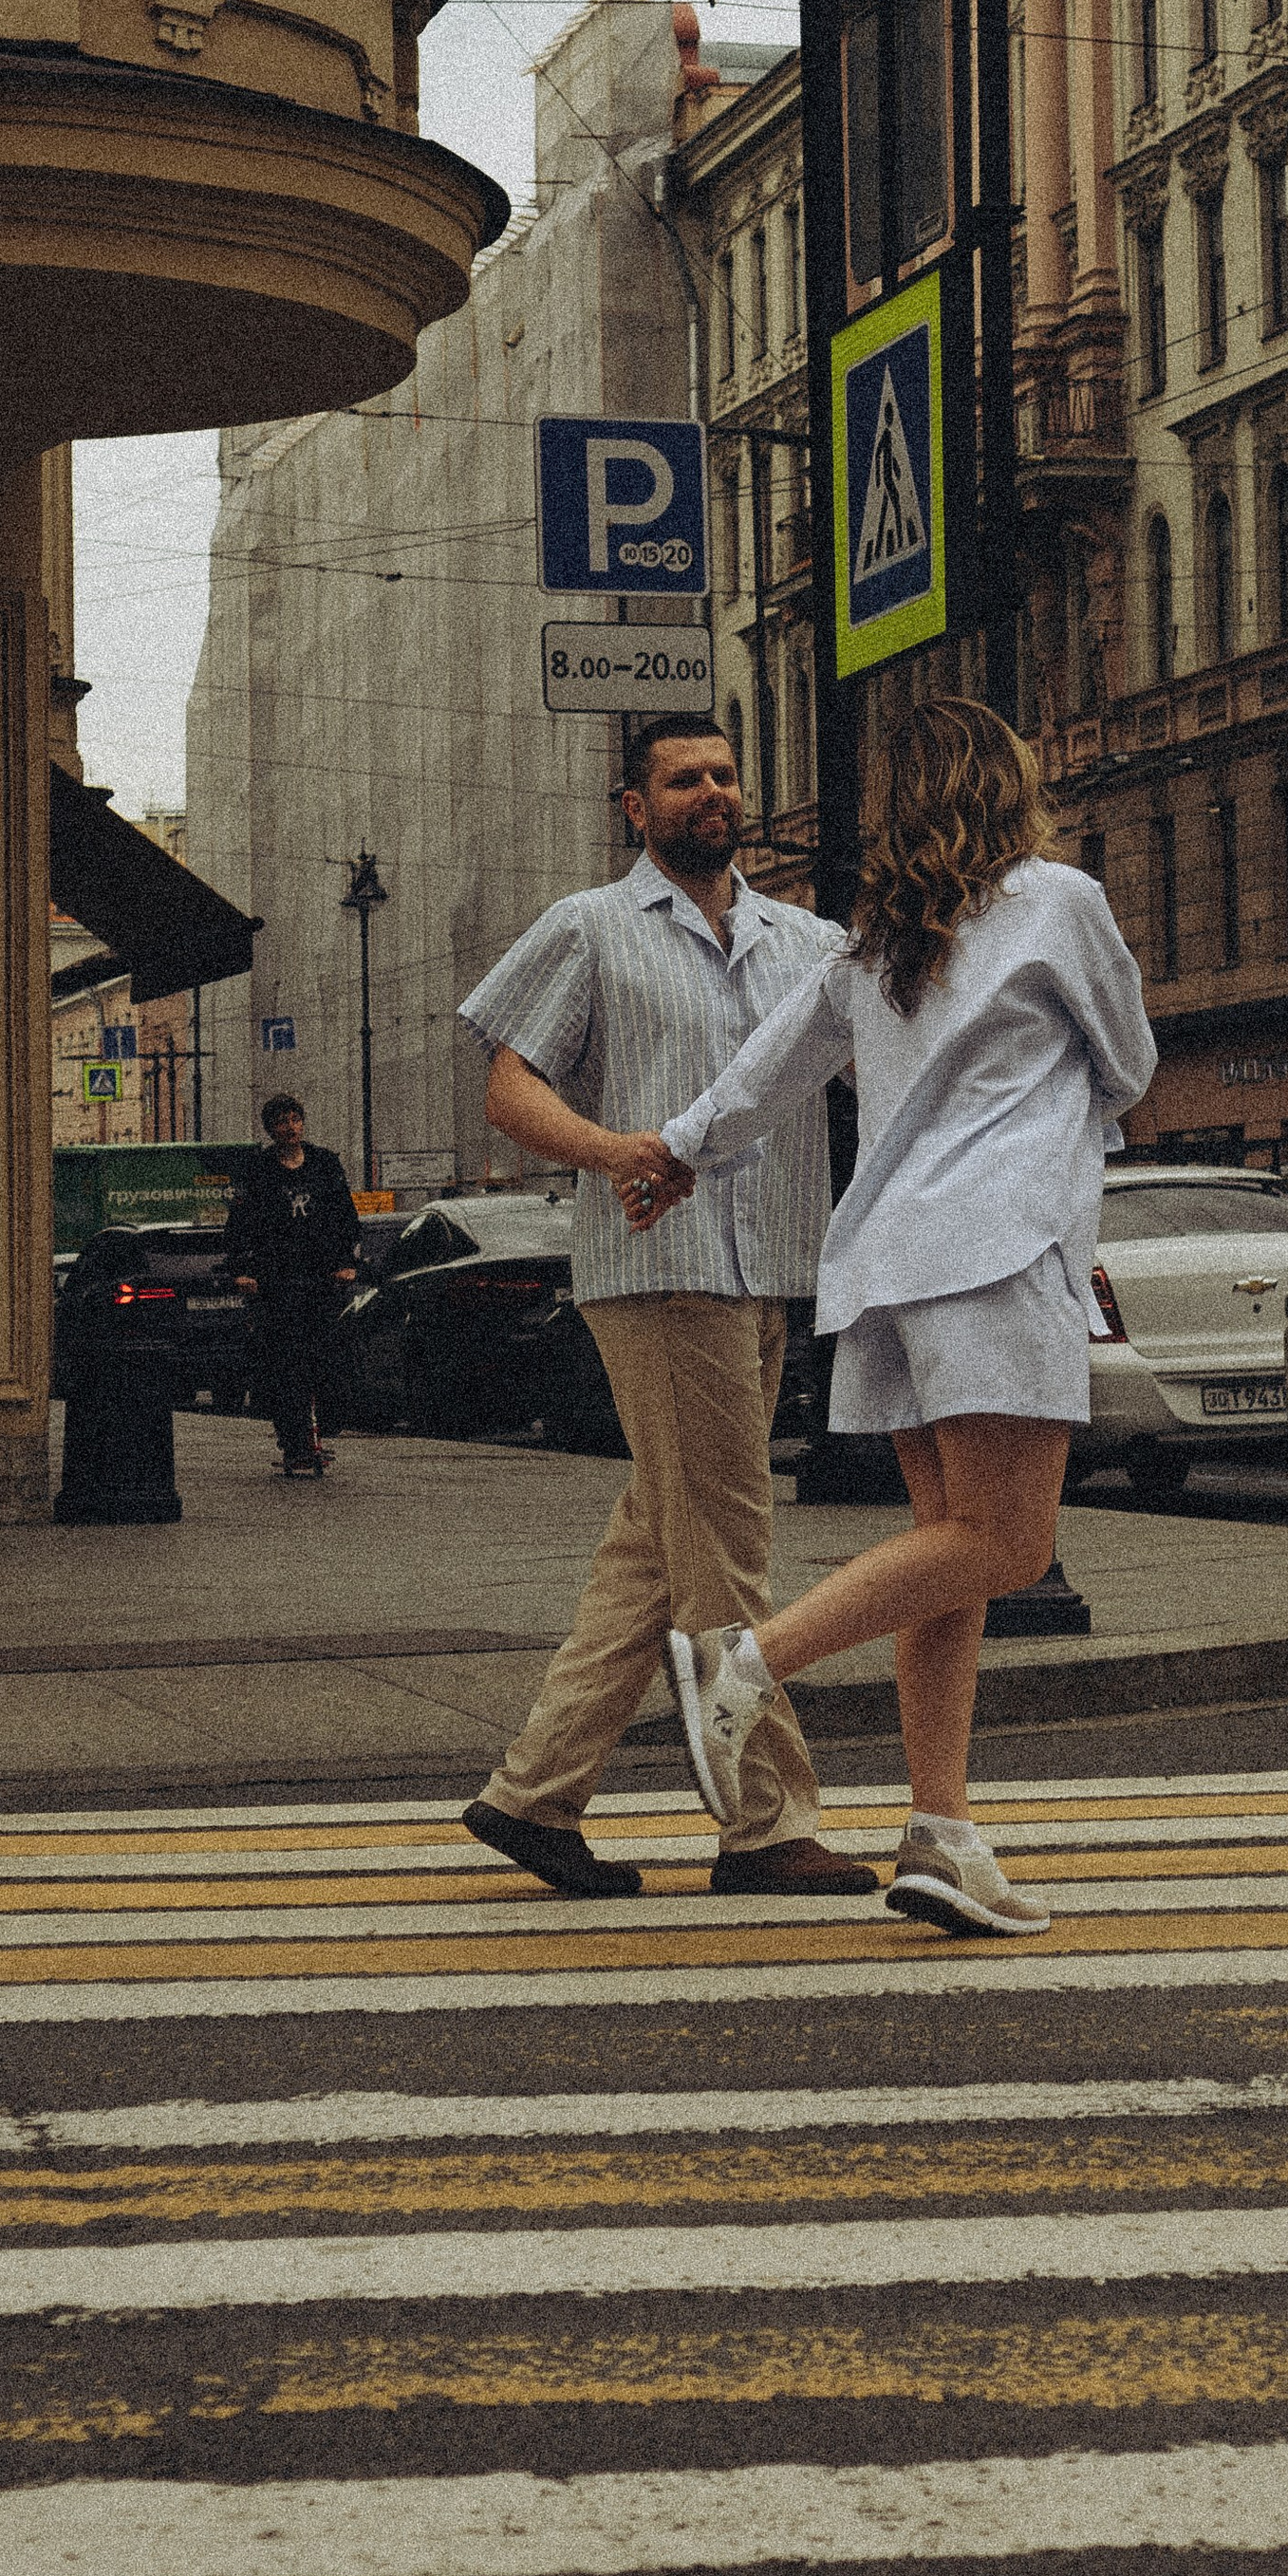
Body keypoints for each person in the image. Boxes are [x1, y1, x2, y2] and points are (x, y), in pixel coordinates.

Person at [629, 695, 1157, 1937]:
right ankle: (743, 1667)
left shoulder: (867, 945)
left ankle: (940, 1834)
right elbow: (1131, 1065)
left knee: (950, 1559)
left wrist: (671, 1154)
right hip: (997, 1250)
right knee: (1009, 1547)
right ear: (1007, 783)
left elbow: (758, 1081)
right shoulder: (1058, 903)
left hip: (882, 1264)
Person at [454, 715, 872, 1900]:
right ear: (632, 806)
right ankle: (767, 1825)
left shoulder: (807, 940)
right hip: (660, 1269)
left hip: (769, 1266)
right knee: (728, 1556)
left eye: (726, 774)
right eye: (683, 779)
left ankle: (532, 1795)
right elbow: (508, 1085)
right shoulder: (589, 929)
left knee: (661, 1545)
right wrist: (610, 1150)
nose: (712, 793)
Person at [224, 1095, 358, 1479]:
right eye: (283, 1122)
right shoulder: (258, 1170)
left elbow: (344, 1216)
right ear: (271, 1129)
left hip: (321, 1278)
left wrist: (345, 1263)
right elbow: (240, 1224)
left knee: (329, 1357)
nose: (291, 1127)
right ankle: (295, 1442)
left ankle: (328, 1422)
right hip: (277, 1281)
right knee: (286, 1366)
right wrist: (243, 1270)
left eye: (296, 1119)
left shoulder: (324, 1164)